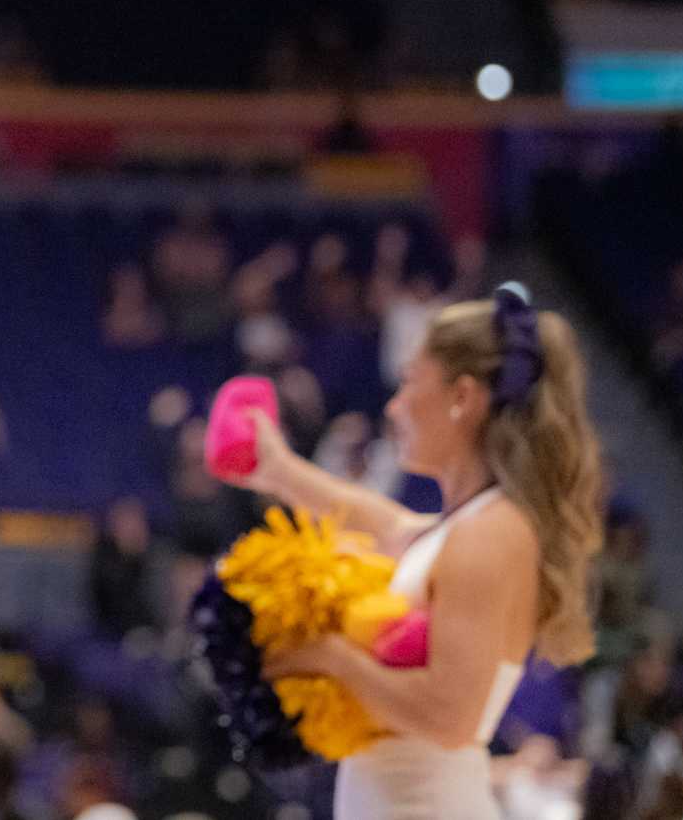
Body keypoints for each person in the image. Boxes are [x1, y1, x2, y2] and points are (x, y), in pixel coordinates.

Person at [219, 285, 606, 820]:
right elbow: (367, 515)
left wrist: (330, 657)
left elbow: (450, 716)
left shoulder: (491, 533)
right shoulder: (462, 527)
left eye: (407, 383)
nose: (394, 407)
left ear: (462, 398)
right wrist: (276, 467)